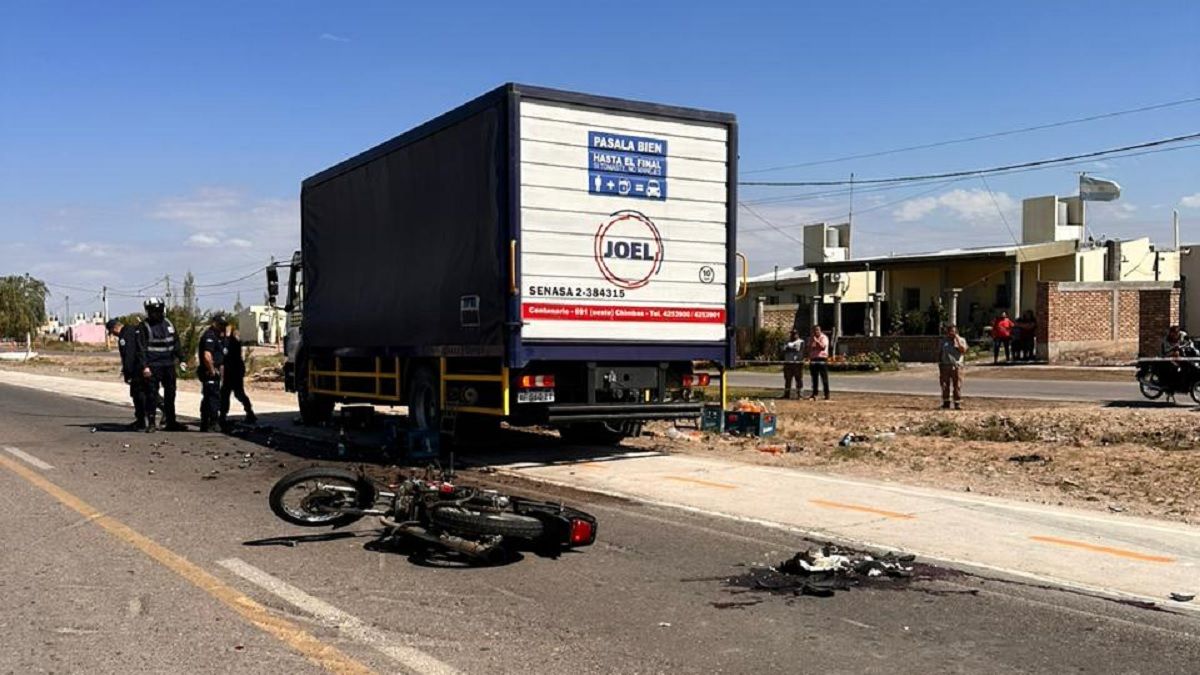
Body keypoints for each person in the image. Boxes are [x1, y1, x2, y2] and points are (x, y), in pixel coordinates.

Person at [137, 297, 186, 432]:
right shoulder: (144, 327)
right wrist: (145, 366)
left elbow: (176, 343)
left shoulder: (169, 324)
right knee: (152, 395)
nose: (156, 314)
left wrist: (182, 359)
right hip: (153, 366)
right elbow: (140, 349)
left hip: (169, 365)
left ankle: (171, 422)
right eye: (153, 311)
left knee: (171, 394)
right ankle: (152, 423)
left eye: (158, 310)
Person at [106, 317, 147, 430]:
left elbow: (128, 356)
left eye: (112, 332)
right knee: (147, 392)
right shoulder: (133, 329)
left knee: (138, 395)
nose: (114, 335)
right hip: (144, 366)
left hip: (136, 370)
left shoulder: (124, 337)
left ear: (115, 328)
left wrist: (127, 373)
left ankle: (141, 421)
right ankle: (158, 415)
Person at [220, 322, 257, 428]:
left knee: (229, 393)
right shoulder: (232, 341)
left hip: (233, 370)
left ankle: (224, 416)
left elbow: (225, 351)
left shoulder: (232, 342)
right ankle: (249, 412)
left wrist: (226, 336)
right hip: (233, 370)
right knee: (234, 393)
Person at [197, 314, 227, 432]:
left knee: (208, 397)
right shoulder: (209, 336)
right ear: (214, 323)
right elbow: (207, 356)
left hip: (215, 371)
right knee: (212, 398)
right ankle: (212, 422)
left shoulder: (218, 336)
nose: (222, 327)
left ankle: (205, 422)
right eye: (220, 325)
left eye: (224, 325)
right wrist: (212, 370)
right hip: (209, 372)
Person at [937, 324, 968, 410]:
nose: (951, 333)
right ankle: (946, 402)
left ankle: (957, 403)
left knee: (957, 385)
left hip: (957, 366)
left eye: (953, 332)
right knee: (945, 385)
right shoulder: (943, 341)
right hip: (945, 365)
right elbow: (940, 352)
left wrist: (957, 340)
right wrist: (940, 363)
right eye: (950, 332)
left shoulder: (961, 340)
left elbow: (963, 350)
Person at [806, 325, 830, 400]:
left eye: (817, 330)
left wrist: (817, 341)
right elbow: (809, 348)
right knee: (814, 378)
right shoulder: (811, 338)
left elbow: (823, 347)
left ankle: (827, 394)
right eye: (814, 330)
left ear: (820, 330)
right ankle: (814, 394)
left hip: (822, 359)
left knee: (824, 377)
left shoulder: (824, 337)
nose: (816, 332)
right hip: (813, 359)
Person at [781, 329, 804, 399]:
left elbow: (799, 350)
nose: (793, 335)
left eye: (795, 334)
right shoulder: (787, 342)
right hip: (788, 363)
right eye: (792, 334)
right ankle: (786, 394)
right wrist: (789, 348)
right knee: (787, 379)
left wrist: (789, 348)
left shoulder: (801, 341)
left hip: (797, 363)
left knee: (798, 379)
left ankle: (800, 394)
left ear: (798, 334)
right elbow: (783, 350)